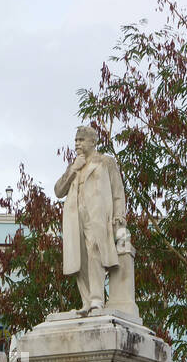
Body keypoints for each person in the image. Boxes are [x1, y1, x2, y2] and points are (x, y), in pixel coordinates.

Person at [54, 125, 137, 317]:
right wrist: (73, 169)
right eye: (75, 140)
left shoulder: (105, 162)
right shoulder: (75, 166)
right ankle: (86, 301)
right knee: (80, 258)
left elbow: (118, 192)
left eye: (81, 140)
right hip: (76, 216)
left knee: (95, 252)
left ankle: (97, 300)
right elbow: (59, 191)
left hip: (98, 215)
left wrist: (119, 215)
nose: (77, 144)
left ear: (93, 141)